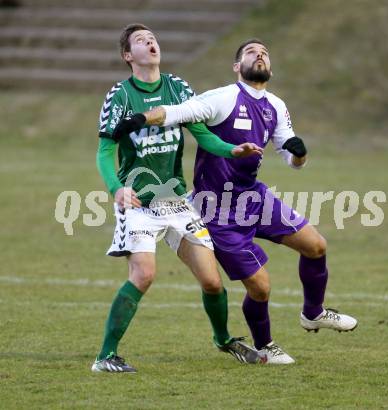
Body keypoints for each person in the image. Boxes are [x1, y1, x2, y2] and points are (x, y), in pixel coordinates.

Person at [116, 38, 358, 365]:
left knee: (316, 246)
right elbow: (179, 112)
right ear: (236, 66)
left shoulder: (275, 105)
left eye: (264, 53)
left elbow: (291, 156)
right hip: (216, 210)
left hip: (254, 196)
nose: (259, 55)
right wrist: (142, 118)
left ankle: (313, 313)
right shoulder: (223, 98)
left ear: (270, 67)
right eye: (250, 52)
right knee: (260, 287)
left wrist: (299, 155)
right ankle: (266, 346)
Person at [91, 25, 264, 373]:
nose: (151, 42)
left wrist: (232, 149)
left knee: (212, 281)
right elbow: (104, 150)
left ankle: (224, 339)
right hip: (138, 201)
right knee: (144, 275)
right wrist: (117, 189)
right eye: (140, 40)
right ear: (128, 56)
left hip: (176, 201)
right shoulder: (120, 96)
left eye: (152, 37)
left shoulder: (177, 87)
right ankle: (105, 357)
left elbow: (202, 134)